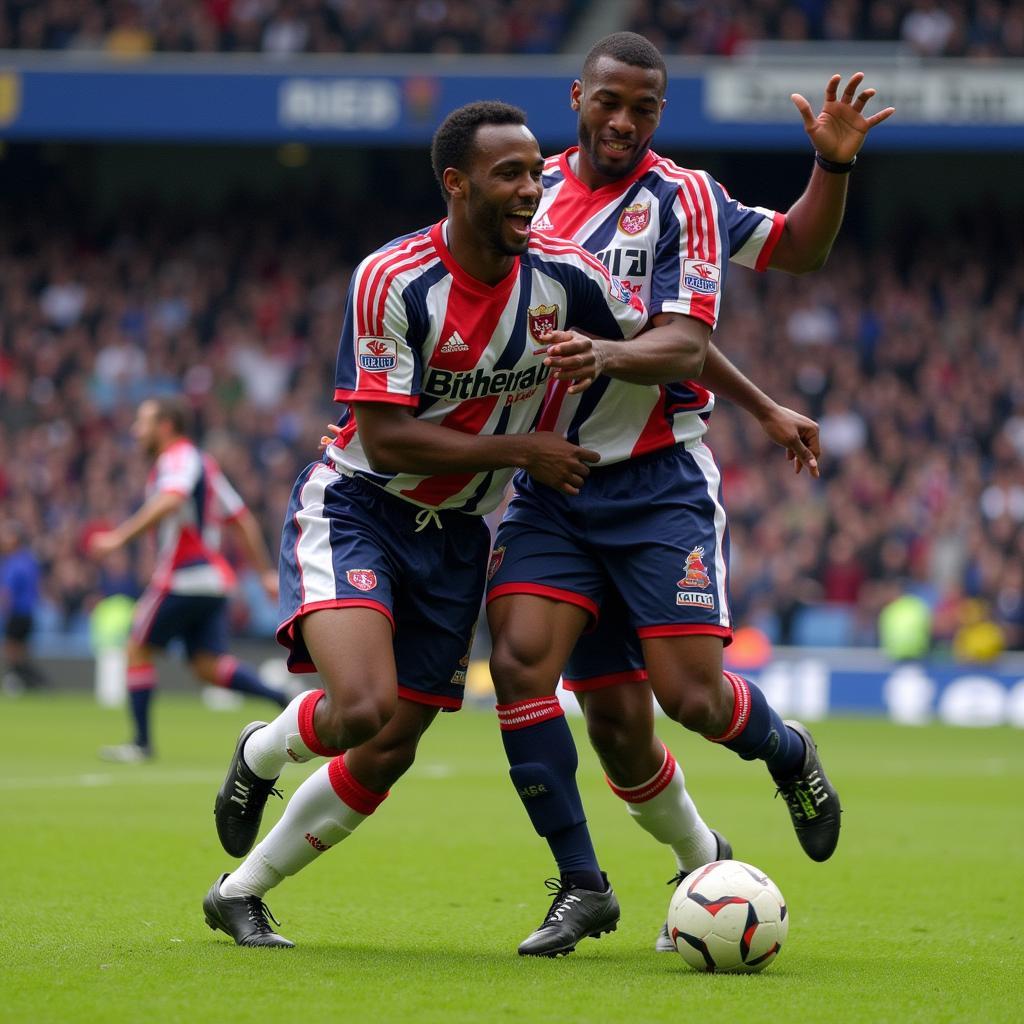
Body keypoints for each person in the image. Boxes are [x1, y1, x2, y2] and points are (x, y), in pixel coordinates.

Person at [201, 100, 678, 948]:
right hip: (359, 510)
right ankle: (263, 750)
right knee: (360, 708)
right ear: (457, 185)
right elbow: (383, 440)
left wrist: (767, 405)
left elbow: (672, 347)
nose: (533, 189)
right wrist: (526, 448)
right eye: (510, 175)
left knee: (388, 748)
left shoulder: (566, 276)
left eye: (537, 172)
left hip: (460, 538)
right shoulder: (391, 278)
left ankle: (242, 890)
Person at [485, 32, 895, 956]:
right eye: (609, 102)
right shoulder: (529, 193)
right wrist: (763, 404)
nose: (624, 121)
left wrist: (831, 165)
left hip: (658, 483)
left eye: (644, 107)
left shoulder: (685, 199)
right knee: (548, 685)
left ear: (660, 114)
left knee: (692, 702)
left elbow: (776, 265)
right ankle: (584, 885)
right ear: (578, 96)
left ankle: (789, 754)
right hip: (553, 481)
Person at [87, 396, 287, 761]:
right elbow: (241, 519)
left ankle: (141, 744)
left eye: (143, 423)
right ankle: (282, 699)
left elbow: (171, 499)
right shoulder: (204, 465)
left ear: (166, 427)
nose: (136, 431)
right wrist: (263, 573)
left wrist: (118, 537)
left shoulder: (177, 457)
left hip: (183, 576)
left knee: (136, 648)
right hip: (213, 581)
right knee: (206, 665)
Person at [0, 520, 48, 695]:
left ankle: (36, 684)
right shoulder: (29, 560)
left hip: (17, 614)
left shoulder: (13, 563)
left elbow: (7, 593)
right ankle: (30, 684)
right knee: (20, 654)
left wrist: (4, 614)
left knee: (13, 653)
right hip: (29, 614)